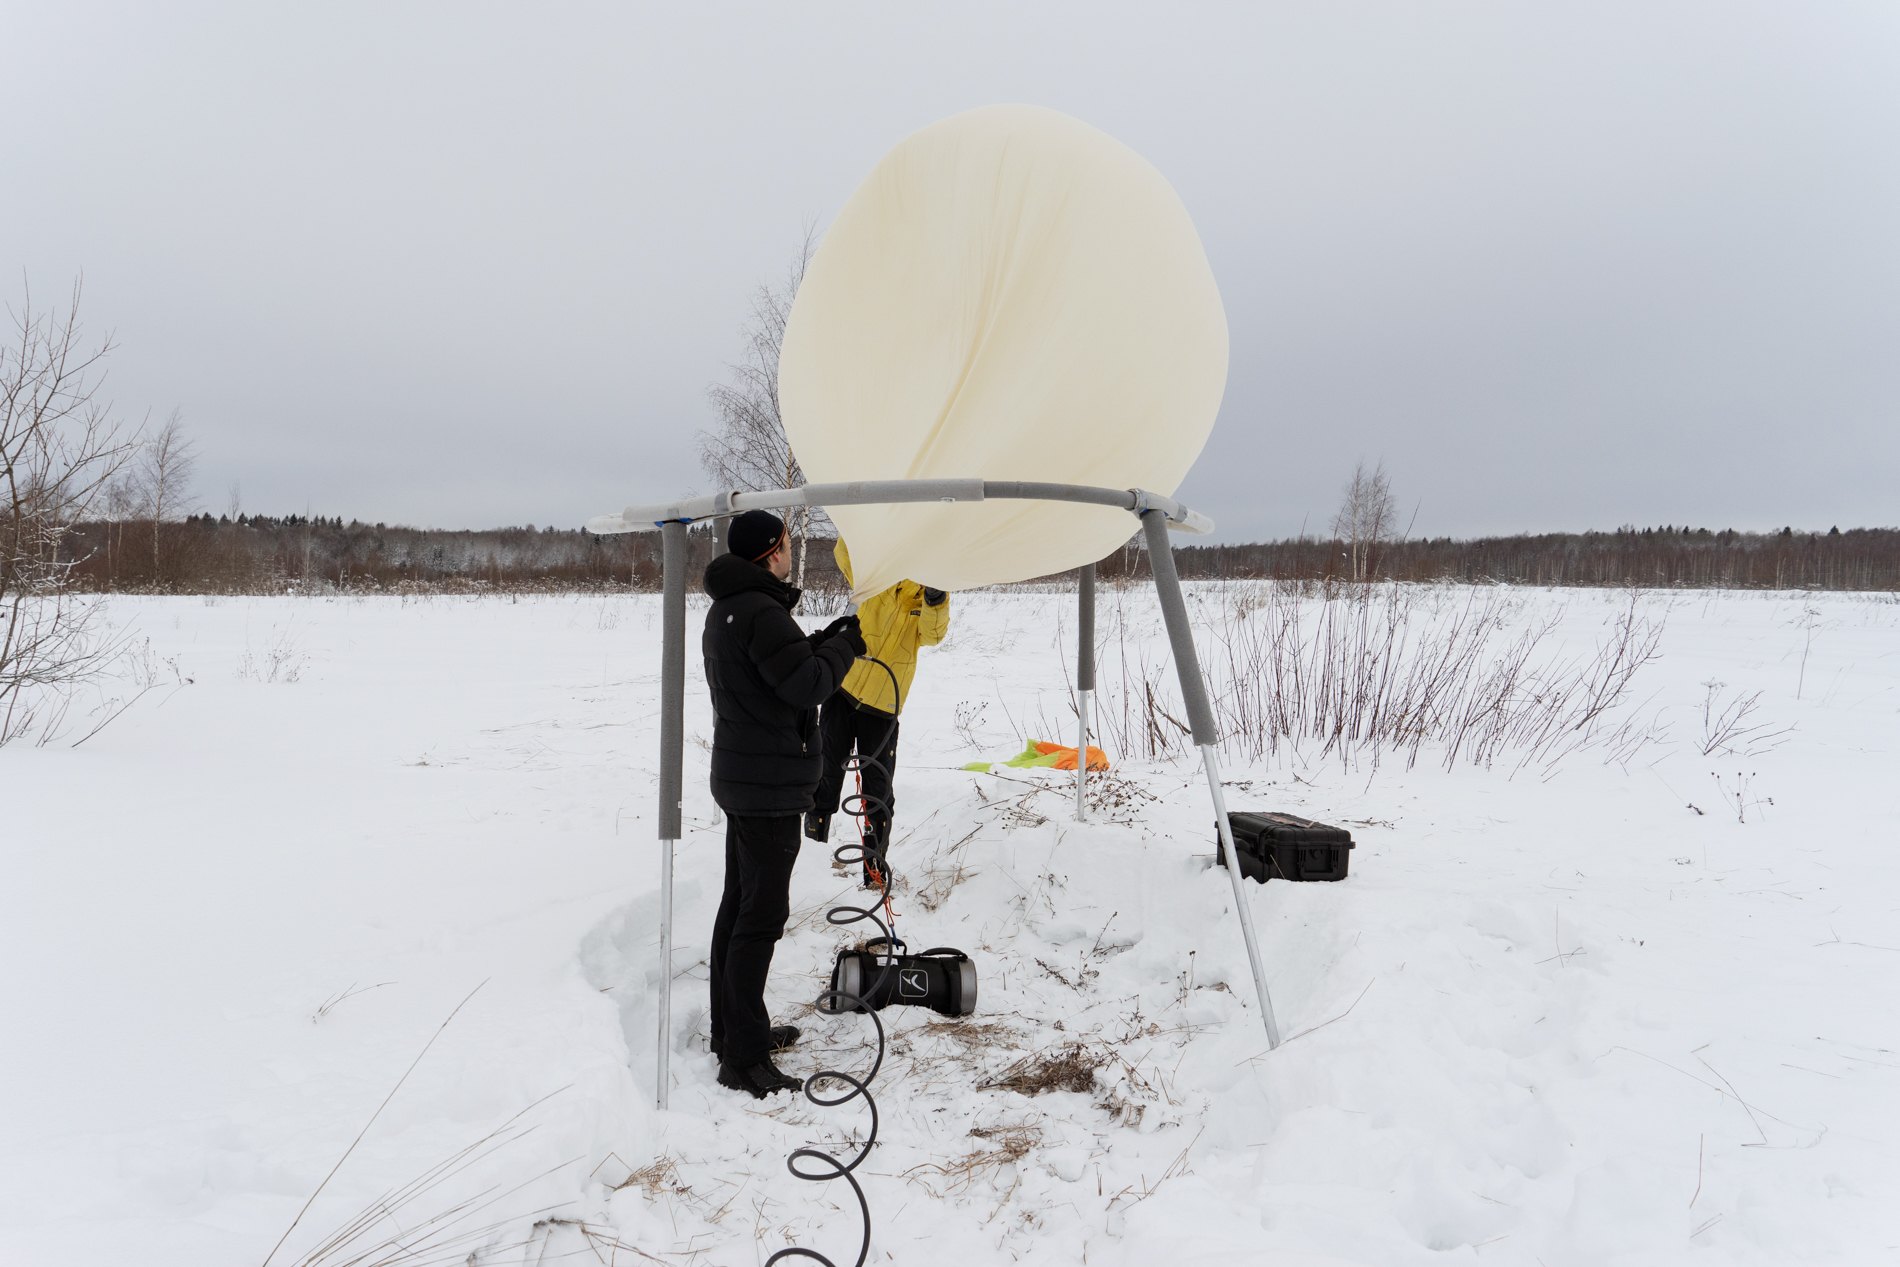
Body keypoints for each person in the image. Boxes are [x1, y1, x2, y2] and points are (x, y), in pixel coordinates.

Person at [703, 509, 864, 1099]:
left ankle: (733, 1031)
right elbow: (808, 686)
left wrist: (823, 642)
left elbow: (781, 673)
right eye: (788, 544)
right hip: (766, 789)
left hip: (747, 778)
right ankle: (743, 1059)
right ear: (771, 551)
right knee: (759, 918)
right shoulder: (761, 611)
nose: (792, 552)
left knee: (739, 906)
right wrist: (844, 650)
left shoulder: (732, 608)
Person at [806, 539, 950, 887]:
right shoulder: (878, 576)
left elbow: (933, 635)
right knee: (824, 772)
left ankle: (874, 870)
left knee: (877, 790)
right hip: (845, 690)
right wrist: (860, 526)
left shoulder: (928, 595)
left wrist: (936, 597)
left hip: (883, 707)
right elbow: (845, 555)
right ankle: (811, 852)